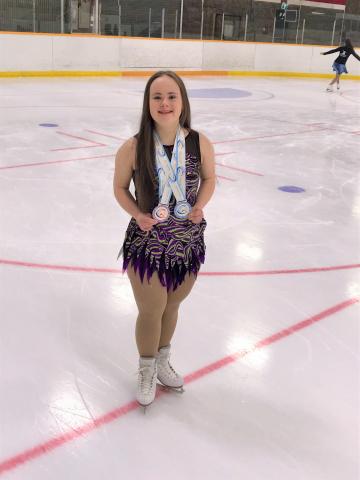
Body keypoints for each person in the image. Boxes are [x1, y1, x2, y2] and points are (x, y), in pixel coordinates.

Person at [113, 71, 216, 408]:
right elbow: (119, 187)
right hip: (148, 245)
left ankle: (161, 360)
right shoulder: (133, 146)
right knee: (151, 309)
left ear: (182, 101)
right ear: (148, 104)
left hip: (187, 243)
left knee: (172, 305)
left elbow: (210, 177)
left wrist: (199, 204)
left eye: (171, 96)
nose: (165, 103)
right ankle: (146, 368)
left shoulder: (200, 143)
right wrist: (137, 214)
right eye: (157, 97)